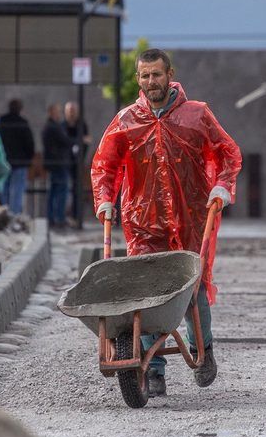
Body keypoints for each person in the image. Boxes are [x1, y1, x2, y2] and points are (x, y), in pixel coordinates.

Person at [91, 48, 242, 398]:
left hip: (190, 216)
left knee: (193, 287)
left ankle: (203, 349)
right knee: (145, 291)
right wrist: (104, 199)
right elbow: (105, 165)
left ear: (170, 75)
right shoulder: (126, 120)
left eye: (156, 74)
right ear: (138, 79)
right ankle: (153, 368)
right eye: (145, 76)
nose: (151, 81)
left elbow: (228, 152)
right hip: (143, 221)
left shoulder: (196, 115)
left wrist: (222, 185)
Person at [0, 98, 35, 215]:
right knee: (17, 190)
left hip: (4, 161)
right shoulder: (22, 123)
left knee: (4, 189)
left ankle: (4, 214)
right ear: (20, 109)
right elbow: (29, 144)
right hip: (20, 162)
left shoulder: (1, 122)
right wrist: (28, 158)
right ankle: (14, 216)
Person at [42, 104, 74, 228]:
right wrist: (80, 139)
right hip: (59, 164)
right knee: (60, 192)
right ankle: (59, 218)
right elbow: (65, 141)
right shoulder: (54, 127)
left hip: (54, 164)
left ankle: (52, 218)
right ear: (51, 112)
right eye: (57, 111)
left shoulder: (48, 126)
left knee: (53, 192)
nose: (59, 114)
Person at [64, 101, 92, 225]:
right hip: (64, 162)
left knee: (77, 188)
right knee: (64, 188)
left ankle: (75, 216)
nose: (71, 113)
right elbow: (64, 141)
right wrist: (79, 140)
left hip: (78, 163)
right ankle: (64, 216)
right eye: (70, 111)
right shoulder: (63, 125)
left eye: (73, 111)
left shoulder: (81, 124)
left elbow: (87, 141)